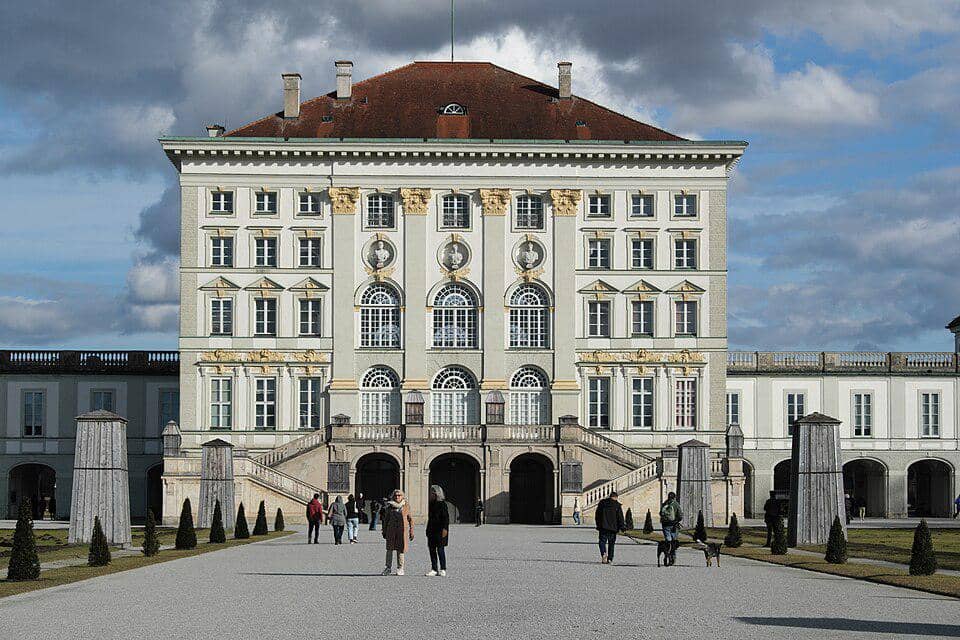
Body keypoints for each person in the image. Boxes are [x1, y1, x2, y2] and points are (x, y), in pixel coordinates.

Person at [381, 489, 414, 575]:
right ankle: (388, 568)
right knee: (389, 550)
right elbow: (386, 520)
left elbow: (410, 519)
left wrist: (411, 531)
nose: (397, 497)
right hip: (391, 531)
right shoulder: (389, 506)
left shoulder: (406, 506)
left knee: (401, 550)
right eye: (395, 495)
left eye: (399, 495)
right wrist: (384, 531)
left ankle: (400, 568)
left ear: (403, 496)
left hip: (402, 531)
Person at [425, 484, 450, 577]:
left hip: (440, 530)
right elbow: (430, 518)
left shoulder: (442, 504)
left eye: (431, 492)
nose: (430, 494)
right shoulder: (431, 504)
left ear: (436, 493)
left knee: (440, 550)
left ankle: (443, 568)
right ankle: (434, 569)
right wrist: (427, 530)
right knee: (432, 550)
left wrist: (445, 529)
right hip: (431, 530)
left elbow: (446, 518)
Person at [595, 491, 625, 564]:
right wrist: (622, 527)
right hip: (613, 528)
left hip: (603, 527)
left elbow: (597, 515)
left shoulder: (602, 504)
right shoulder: (617, 505)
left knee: (602, 542)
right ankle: (610, 559)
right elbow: (620, 517)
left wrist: (598, 525)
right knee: (611, 544)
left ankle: (603, 553)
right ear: (616, 497)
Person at [659, 491, 683, 566]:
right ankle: (672, 558)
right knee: (673, 543)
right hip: (674, 526)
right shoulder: (676, 504)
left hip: (666, 526)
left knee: (668, 542)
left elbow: (660, 513)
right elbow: (680, 515)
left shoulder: (665, 504)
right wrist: (677, 521)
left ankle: (667, 556)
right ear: (674, 497)